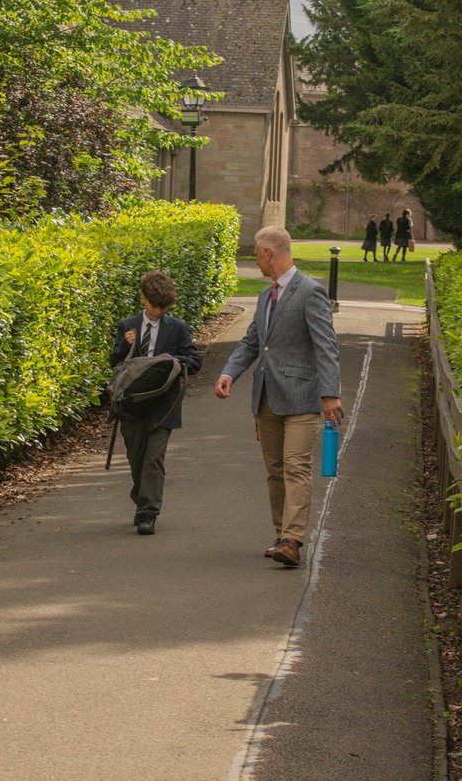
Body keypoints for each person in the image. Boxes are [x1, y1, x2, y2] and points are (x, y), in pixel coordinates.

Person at [214, 227, 344, 568]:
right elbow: (252, 342)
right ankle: (281, 534)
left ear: (269, 253)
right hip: (266, 398)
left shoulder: (310, 293)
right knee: (274, 471)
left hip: (302, 398)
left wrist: (329, 394)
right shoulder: (263, 296)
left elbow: (326, 346)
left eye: (257, 254)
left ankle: (292, 540)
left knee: (295, 467)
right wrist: (229, 373)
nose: (255, 260)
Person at [109, 271, 202, 535]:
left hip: (164, 405)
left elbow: (194, 360)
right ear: (142, 299)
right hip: (131, 404)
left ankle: (148, 512)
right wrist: (124, 347)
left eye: (164, 307)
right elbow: (114, 363)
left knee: (153, 459)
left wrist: (171, 363)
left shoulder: (177, 328)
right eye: (154, 306)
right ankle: (142, 498)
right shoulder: (127, 326)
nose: (159, 311)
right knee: (136, 457)